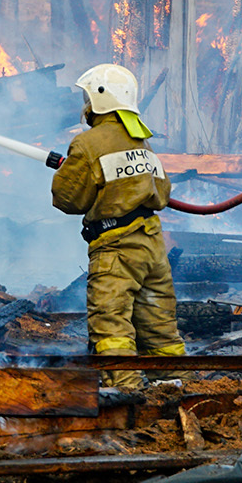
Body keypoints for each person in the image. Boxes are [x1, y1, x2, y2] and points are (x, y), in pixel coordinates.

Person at [50, 64, 184, 391]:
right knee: (160, 330)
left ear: (97, 99)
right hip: (152, 246)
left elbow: (68, 200)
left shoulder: (88, 143)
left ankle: (127, 397)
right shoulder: (141, 141)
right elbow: (162, 192)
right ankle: (175, 389)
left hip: (116, 248)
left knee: (111, 329)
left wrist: (71, 173)